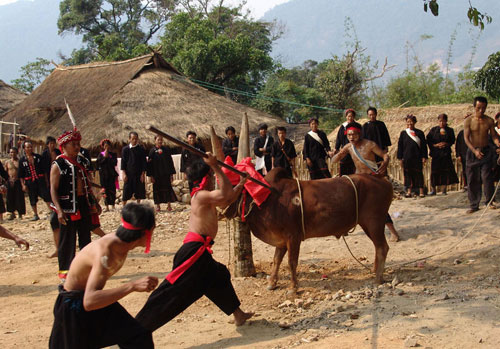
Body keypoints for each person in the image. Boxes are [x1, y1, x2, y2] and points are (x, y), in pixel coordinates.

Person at [135, 153, 253, 331]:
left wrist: (242, 184)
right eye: (212, 177)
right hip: (193, 253)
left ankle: (238, 315)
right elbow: (226, 195)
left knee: (219, 276)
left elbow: (228, 198)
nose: (214, 179)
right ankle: (138, 328)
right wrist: (215, 166)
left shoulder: (207, 197)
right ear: (206, 178)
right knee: (171, 293)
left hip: (199, 251)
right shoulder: (200, 196)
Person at [49, 203, 157, 349]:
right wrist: (131, 286)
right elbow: (90, 301)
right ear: (146, 232)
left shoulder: (121, 244)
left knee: (137, 337)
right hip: (73, 308)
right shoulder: (105, 253)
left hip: (90, 301)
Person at [332, 123, 400, 242]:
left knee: (378, 207)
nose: (351, 137)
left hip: (372, 178)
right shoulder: (348, 147)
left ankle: (393, 232)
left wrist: (385, 162)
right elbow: (334, 160)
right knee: (352, 204)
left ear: (359, 134)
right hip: (358, 180)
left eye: (353, 134)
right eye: (349, 135)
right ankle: (345, 228)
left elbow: (385, 155)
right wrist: (338, 154)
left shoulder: (370, 144)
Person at [50, 128, 99, 280]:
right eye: (73, 144)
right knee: (67, 240)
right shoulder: (58, 164)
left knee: (85, 237)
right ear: (64, 146)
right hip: (67, 207)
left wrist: (94, 203)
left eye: (78, 144)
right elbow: (53, 189)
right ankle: (66, 272)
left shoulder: (81, 162)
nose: (77, 147)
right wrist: (58, 210)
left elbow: (87, 185)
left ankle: (85, 268)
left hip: (83, 204)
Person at [463, 96, 500, 213]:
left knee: (487, 177)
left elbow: (494, 136)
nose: (481, 110)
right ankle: (474, 205)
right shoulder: (468, 121)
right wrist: (474, 151)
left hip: (486, 151)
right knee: (472, 178)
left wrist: (499, 144)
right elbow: (466, 138)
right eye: (479, 108)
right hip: (472, 151)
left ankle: (489, 201)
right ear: (474, 107)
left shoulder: (489, 121)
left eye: (483, 108)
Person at [426, 114, 459, 195]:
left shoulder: (450, 130)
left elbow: (452, 140)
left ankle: (444, 190)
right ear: (438, 121)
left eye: (443, 121)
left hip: (445, 154)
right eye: (440, 121)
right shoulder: (434, 130)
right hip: (436, 154)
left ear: (446, 121)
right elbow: (428, 140)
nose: (442, 123)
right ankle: (434, 190)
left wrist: (445, 144)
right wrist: (435, 145)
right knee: (434, 171)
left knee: (445, 171)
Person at [18, 141, 51, 221]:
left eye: (30, 147)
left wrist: (46, 181)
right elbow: (21, 175)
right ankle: (35, 214)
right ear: (24, 149)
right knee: (32, 198)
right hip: (30, 181)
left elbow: (44, 170)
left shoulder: (38, 157)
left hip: (40, 180)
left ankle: (52, 211)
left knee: (46, 195)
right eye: (27, 147)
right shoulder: (22, 160)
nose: (29, 148)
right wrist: (23, 185)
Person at [397, 114, 428, 198]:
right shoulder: (403, 133)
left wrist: (424, 157)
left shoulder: (420, 133)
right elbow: (400, 146)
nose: (409, 123)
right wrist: (400, 158)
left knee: (418, 173)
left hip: (417, 157)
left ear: (414, 122)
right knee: (407, 174)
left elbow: (424, 146)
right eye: (408, 122)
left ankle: (421, 191)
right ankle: (409, 191)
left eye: (411, 122)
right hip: (407, 158)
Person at [147, 135, 177, 212]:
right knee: (157, 190)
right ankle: (158, 206)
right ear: (155, 141)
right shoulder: (152, 151)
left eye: (161, 140)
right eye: (158, 140)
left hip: (165, 174)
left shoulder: (166, 150)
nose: (160, 141)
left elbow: (170, 162)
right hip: (156, 175)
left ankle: (169, 205)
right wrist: (151, 176)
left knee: (167, 189)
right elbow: (149, 165)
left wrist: (171, 174)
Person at [121, 131, 147, 205]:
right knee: (126, 191)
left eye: (136, 139)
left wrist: (143, 174)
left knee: (139, 191)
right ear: (129, 139)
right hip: (129, 174)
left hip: (138, 174)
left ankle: (138, 206)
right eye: (133, 139)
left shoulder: (141, 149)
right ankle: (124, 207)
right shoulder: (125, 149)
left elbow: (143, 162)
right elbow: (123, 162)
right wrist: (124, 174)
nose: (134, 140)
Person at [335, 109, 361, 175]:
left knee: (355, 168)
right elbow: (339, 138)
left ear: (354, 117)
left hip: (356, 150)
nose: (350, 118)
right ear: (346, 117)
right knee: (344, 167)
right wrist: (336, 148)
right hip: (345, 150)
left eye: (351, 116)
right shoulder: (343, 127)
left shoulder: (358, 126)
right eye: (348, 116)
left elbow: (361, 137)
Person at [96, 139, 118, 211]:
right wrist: (105, 157)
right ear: (103, 146)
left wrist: (108, 156)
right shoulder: (100, 155)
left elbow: (114, 163)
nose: (106, 147)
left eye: (108, 145)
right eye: (105, 145)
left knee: (112, 190)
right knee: (105, 190)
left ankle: (113, 205)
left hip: (111, 175)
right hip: (103, 176)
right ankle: (106, 206)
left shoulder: (113, 155)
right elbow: (99, 163)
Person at [4, 147, 25, 220]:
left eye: (14, 152)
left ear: (17, 153)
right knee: (10, 198)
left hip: (18, 181)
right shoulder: (7, 162)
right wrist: (7, 181)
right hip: (10, 182)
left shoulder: (20, 162)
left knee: (19, 198)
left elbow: (23, 172)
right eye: (11, 152)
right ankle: (12, 213)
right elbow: (5, 172)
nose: (12, 154)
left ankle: (20, 214)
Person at [456, 127, 469, 192]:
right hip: (464, 154)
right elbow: (457, 144)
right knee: (465, 170)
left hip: (474, 155)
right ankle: (466, 185)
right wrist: (458, 154)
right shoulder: (461, 133)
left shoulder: (475, 132)